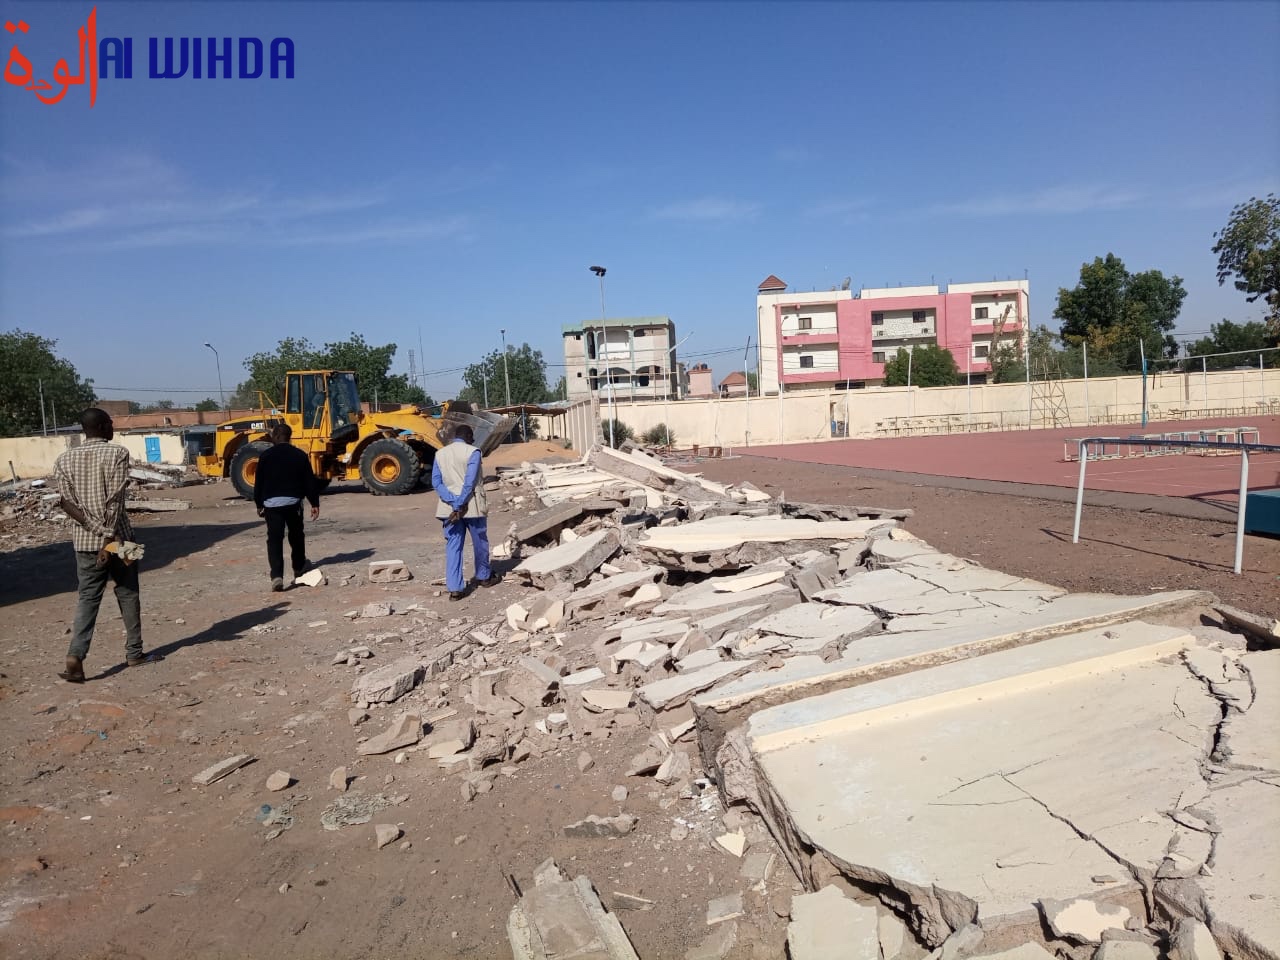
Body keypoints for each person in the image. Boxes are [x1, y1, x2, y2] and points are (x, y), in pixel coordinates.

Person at [54, 408, 161, 683]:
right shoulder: (118, 453)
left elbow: (68, 504)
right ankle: (135, 653)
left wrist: (96, 532)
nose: (113, 427)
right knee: (129, 593)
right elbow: (115, 501)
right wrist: (107, 539)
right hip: (120, 539)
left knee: (87, 597)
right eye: (111, 423)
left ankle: (75, 656)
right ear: (101, 426)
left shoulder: (63, 460)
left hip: (83, 541)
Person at [431, 423, 500, 600]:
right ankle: (484, 576)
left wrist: (453, 502)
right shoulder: (473, 452)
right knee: (480, 543)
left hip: (449, 508)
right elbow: (469, 483)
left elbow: (436, 483)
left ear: (454, 437)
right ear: (469, 437)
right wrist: (460, 502)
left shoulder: (440, 454)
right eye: (472, 438)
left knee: (453, 546)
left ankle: (455, 589)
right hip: (472, 506)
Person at [253, 423, 320, 591]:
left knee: (274, 540)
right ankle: (298, 568)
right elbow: (309, 482)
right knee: (296, 536)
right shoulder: (299, 455)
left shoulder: (265, 456)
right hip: (293, 504)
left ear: (275, 436)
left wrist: (259, 503)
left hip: (271, 505)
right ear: (289, 437)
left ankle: (277, 576)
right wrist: (314, 502)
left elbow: (259, 482)